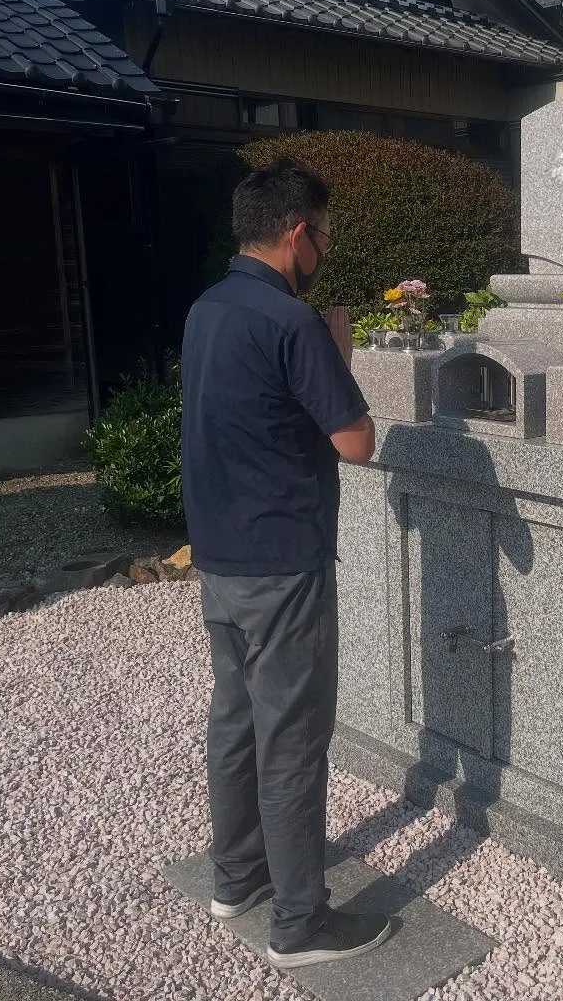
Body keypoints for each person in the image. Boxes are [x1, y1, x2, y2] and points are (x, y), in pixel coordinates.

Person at [179, 161, 387, 969]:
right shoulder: (293, 323)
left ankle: (237, 878)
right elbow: (357, 442)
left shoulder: (208, 308)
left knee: (235, 719)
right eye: (325, 236)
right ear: (298, 232)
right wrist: (338, 353)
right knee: (293, 738)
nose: (326, 250)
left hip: (221, 555)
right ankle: (300, 924)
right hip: (283, 561)